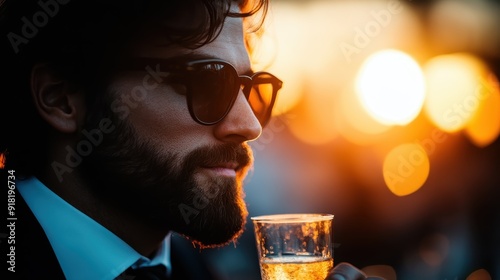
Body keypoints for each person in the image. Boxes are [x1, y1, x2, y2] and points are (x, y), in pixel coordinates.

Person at [0, 0, 378, 279]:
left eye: (249, 88)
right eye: (206, 81)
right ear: (61, 98)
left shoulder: (192, 269)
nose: (249, 126)